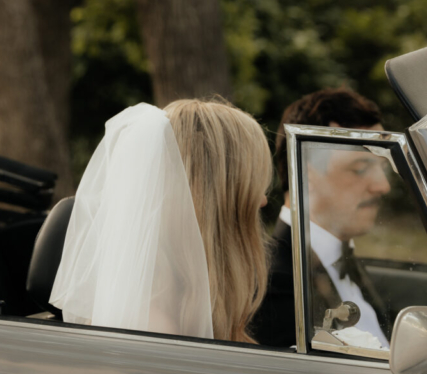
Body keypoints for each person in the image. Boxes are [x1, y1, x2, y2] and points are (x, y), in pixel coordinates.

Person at [50, 99, 272, 343]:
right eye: (253, 185)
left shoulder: (172, 309)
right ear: (217, 200)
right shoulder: (152, 329)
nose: (263, 200)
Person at [250, 88, 391, 348]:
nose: (383, 186)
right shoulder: (275, 287)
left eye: (382, 167)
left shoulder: (343, 258)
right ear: (307, 173)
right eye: (360, 168)